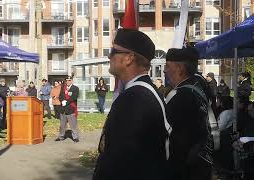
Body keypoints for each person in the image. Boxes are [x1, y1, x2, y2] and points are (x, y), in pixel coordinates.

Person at [93, 28, 171, 180]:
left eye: (113, 51)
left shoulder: (134, 98)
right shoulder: (145, 92)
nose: (109, 56)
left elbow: (118, 163)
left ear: (129, 58)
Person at [164, 47, 213, 180]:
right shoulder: (199, 86)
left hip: (186, 168)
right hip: (202, 161)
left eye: (167, 66)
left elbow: (171, 136)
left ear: (179, 68)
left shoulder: (179, 96)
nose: (164, 70)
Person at [55, 76, 79, 142]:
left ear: (71, 81)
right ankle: (61, 136)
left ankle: (75, 137)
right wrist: (62, 101)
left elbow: (74, 97)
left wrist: (67, 102)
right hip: (63, 109)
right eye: (67, 80)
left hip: (71, 108)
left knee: (73, 124)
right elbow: (60, 96)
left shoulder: (75, 88)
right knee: (62, 125)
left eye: (69, 80)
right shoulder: (63, 88)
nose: (68, 81)